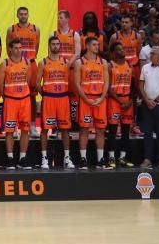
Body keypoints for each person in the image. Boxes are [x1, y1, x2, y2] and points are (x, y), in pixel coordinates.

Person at [37, 36, 73, 169]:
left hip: (63, 98)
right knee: (45, 129)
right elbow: (37, 84)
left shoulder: (66, 62)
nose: (56, 46)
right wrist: (46, 95)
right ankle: (44, 158)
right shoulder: (43, 62)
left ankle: (67, 158)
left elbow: (69, 81)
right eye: (53, 44)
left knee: (65, 129)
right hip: (49, 98)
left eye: (58, 44)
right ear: (49, 46)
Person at [74, 36, 110, 169]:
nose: (97, 47)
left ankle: (101, 159)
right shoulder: (80, 62)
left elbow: (106, 82)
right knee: (84, 130)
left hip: (100, 99)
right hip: (86, 99)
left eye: (97, 44)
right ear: (87, 46)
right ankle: (83, 159)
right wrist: (86, 99)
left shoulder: (104, 62)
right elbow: (77, 84)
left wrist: (101, 98)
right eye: (94, 45)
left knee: (100, 130)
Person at [0, 39, 33, 169]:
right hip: (10, 100)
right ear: (11, 49)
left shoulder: (27, 62)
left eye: (20, 47)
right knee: (9, 130)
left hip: (24, 100)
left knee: (25, 129)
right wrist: (7, 96)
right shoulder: (5, 64)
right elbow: (0, 85)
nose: (19, 50)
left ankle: (23, 158)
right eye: (16, 48)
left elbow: (28, 81)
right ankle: (10, 158)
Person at [106, 43, 136, 168]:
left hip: (127, 101)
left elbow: (134, 86)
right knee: (112, 130)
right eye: (118, 49)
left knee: (125, 131)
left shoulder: (130, 65)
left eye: (123, 48)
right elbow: (107, 87)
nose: (122, 50)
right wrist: (120, 101)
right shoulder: (110, 65)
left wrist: (130, 101)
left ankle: (123, 157)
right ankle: (111, 158)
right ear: (113, 53)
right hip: (115, 100)